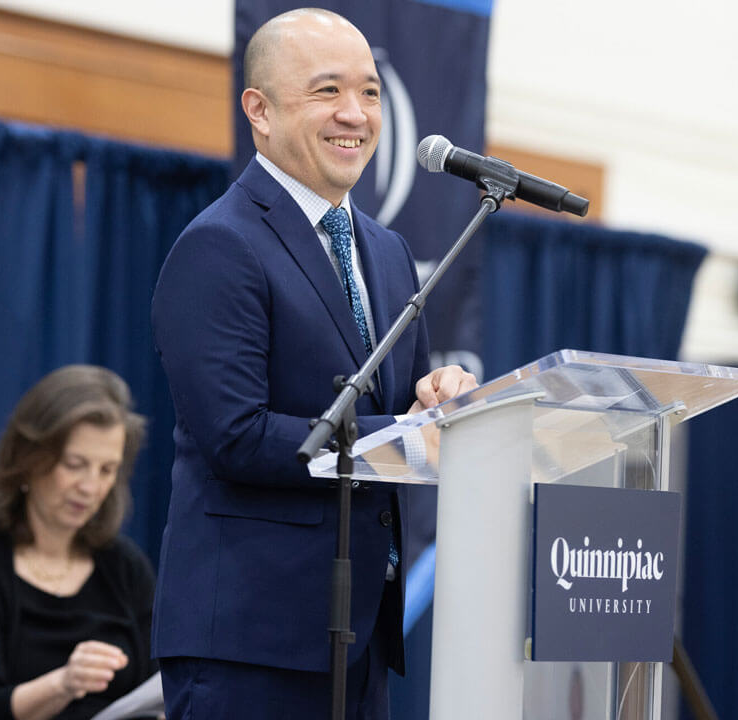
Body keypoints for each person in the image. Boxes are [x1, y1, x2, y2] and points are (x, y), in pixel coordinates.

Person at [149, 8, 477, 719]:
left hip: (356, 639)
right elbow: (235, 437)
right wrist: (398, 434)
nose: (355, 115)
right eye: (327, 92)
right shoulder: (219, 246)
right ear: (259, 111)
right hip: (248, 640)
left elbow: (401, 405)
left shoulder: (387, 253)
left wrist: (437, 404)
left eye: (369, 93)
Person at [0, 365, 158, 720]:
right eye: (75, 464)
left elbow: (156, 686)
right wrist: (64, 684)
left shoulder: (125, 566)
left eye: (106, 470)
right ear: (29, 459)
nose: (90, 487)